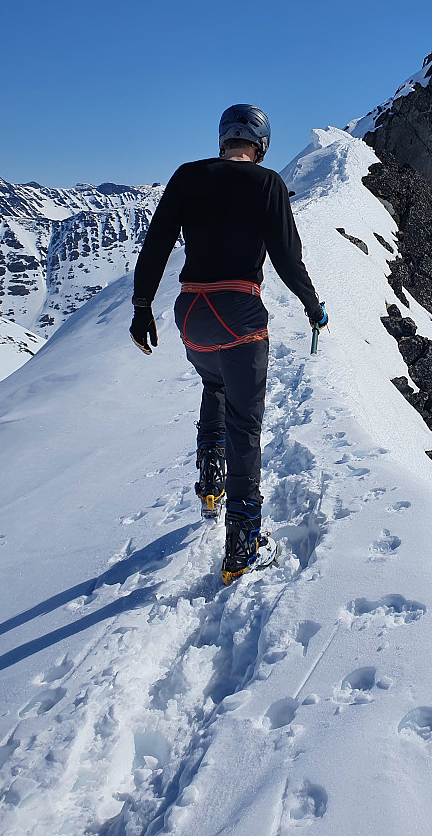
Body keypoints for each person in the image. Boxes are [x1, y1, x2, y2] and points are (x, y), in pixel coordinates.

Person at [129, 104, 326, 583]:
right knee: (245, 421)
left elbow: (156, 242)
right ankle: (243, 542)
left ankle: (209, 482)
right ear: (260, 146)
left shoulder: (186, 177)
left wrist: (140, 308)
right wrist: (312, 304)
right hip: (239, 312)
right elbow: (286, 257)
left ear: (223, 140)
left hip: (191, 313)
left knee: (213, 383)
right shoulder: (268, 184)